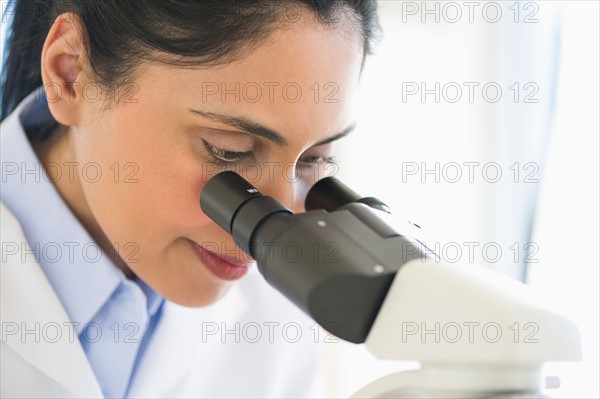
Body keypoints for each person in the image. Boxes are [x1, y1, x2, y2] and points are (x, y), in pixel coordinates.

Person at [0, 0, 379, 397]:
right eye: (228, 150)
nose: (276, 222)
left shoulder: (279, 318)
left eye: (313, 159)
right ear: (71, 73)